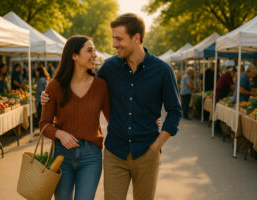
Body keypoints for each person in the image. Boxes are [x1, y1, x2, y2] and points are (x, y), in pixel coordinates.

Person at [41, 13, 182, 200]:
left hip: (147, 150)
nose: (114, 44)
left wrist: (157, 145)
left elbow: (175, 111)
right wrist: (47, 97)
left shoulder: (163, 71)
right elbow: (84, 88)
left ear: (136, 38)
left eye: (119, 39)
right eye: (113, 38)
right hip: (115, 152)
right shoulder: (109, 68)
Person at [39, 35, 110, 200]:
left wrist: (147, 119)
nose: (95, 55)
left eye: (94, 51)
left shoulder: (101, 86)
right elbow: (43, 124)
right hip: (61, 156)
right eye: (90, 50)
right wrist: (59, 134)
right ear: (74, 55)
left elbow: (115, 118)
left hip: (91, 156)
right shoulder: (55, 86)